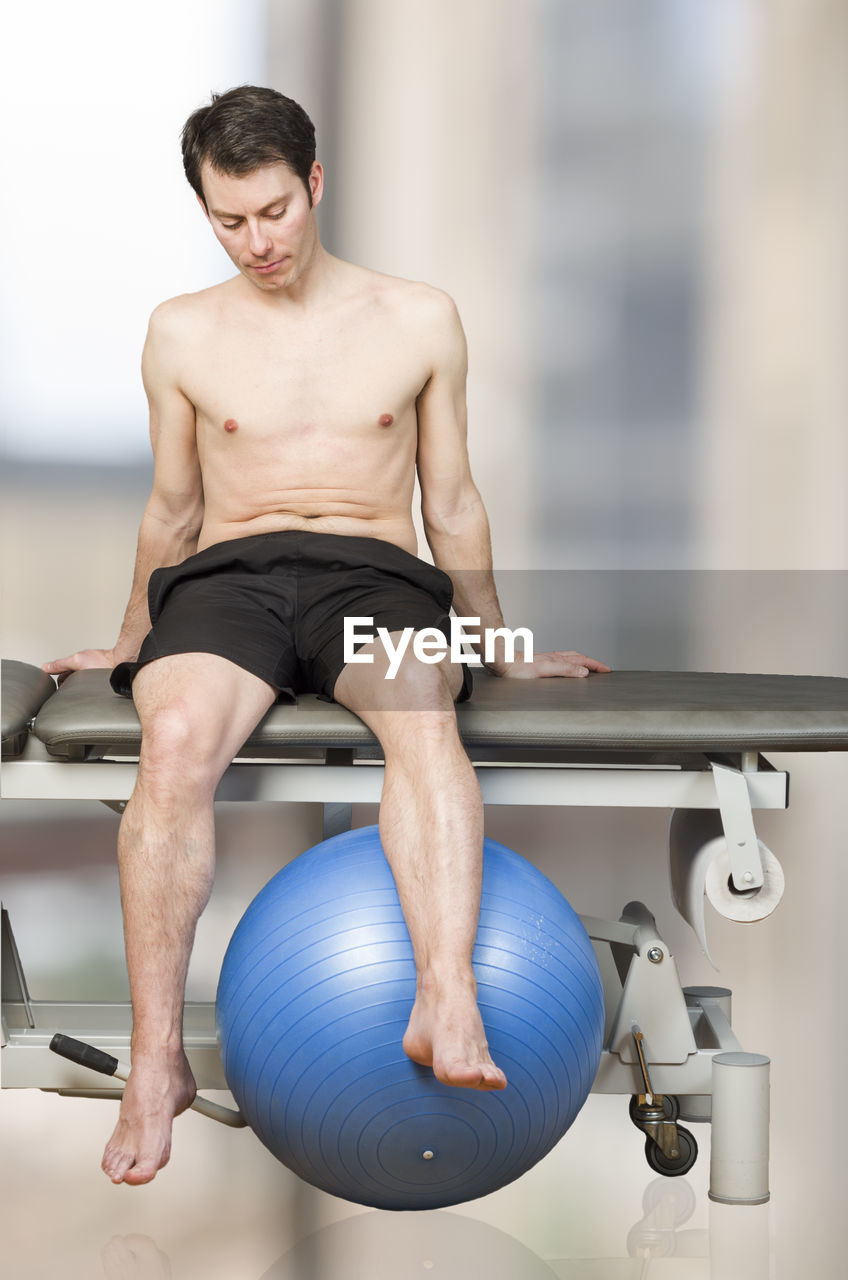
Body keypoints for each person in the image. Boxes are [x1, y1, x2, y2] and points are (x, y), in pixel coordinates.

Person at [44, 86, 609, 1187]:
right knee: (171, 750)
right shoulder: (180, 331)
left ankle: (443, 992)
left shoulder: (418, 317)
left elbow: (450, 501)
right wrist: (124, 645)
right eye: (228, 221)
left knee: (423, 726)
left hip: (374, 578)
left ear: (313, 183)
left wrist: (489, 640)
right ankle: (154, 1060)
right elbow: (169, 510)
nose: (255, 242)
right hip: (228, 582)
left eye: (271, 212)